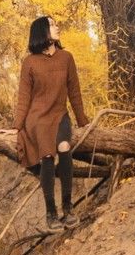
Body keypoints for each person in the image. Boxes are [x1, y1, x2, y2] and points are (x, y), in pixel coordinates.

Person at [14, 15, 89, 232]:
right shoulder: (30, 62)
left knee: (64, 147)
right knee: (47, 154)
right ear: (42, 32)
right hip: (36, 119)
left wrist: (82, 120)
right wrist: (16, 126)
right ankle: (51, 212)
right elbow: (24, 98)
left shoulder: (66, 58)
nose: (57, 27)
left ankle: (68, 207)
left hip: (59, 115)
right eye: (53, 25)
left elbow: (74, 92)